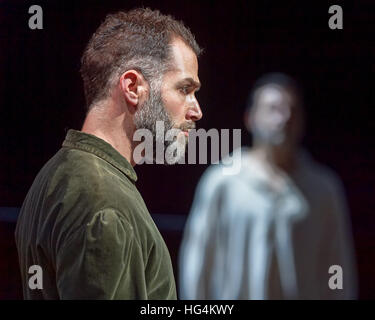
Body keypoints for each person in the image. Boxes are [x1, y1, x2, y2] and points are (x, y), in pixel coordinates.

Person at [15, 8, 202, 299]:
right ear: (132, 86)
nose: (196, 110)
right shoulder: (102, 201)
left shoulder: (59, 174)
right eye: (184, 89)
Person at [179, 73, 357, 299]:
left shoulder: (323, 188)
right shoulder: (223, 182)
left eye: (292, 110)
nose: (284, 118)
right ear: (250, 118)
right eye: (273, 109)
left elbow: (337, 263)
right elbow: (198, 260)